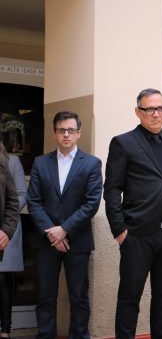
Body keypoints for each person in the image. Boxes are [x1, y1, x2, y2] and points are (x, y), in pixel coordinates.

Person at [103, 88, 162, 339]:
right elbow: (112, 189)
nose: (156, 114)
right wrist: (120, 230)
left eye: (160, 108)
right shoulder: (123, 143)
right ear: (138, 112)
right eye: (149, 109)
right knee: (130, 297)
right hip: (137, 234)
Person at [26, 111, 102, 339]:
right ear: (54, 133)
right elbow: (33, 201)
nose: (66, 134)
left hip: (77, 240)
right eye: (61, 130)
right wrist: (52, 233)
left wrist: (64, 229)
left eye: (71, 130)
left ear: (79, 133)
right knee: (45, 296)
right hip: (46, 241)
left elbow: (91, 203)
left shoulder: (91, 164)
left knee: (79, 297)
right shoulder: (41, 162)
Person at [0, 142, 25, 339]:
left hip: (6, 230)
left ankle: (5, 330)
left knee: (3, 281)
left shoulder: (11, 161)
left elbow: (20, 195)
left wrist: (5, 228)